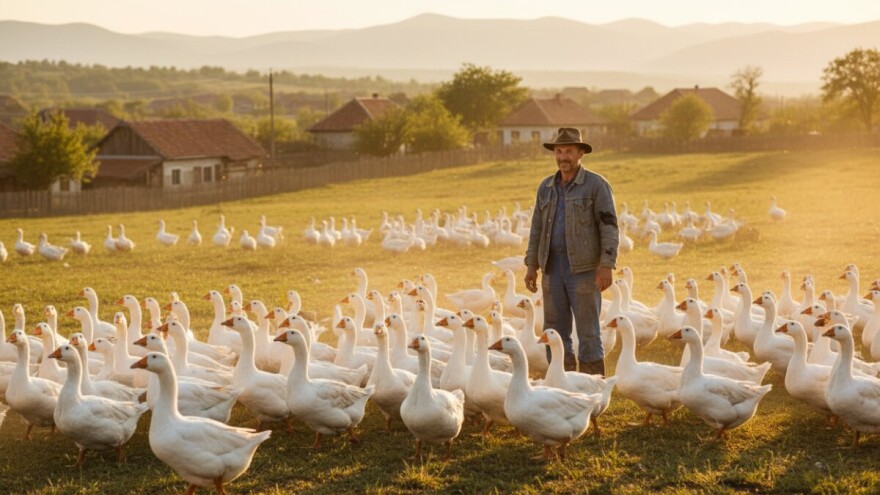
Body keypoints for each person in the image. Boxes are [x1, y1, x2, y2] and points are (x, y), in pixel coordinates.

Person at [524, 127, 619, 376]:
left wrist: (606, 264)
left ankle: (592, 385)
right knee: (554, 329)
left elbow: (609, 225)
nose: (562, 156)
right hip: (552, 268)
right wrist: (531, 264)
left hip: (585, 270)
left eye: (568, 151)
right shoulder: (546, 187)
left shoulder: (596, 185)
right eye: (558, 151)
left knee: (588, 330)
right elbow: (536, 228)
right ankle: (562, 383)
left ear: (580, 154)